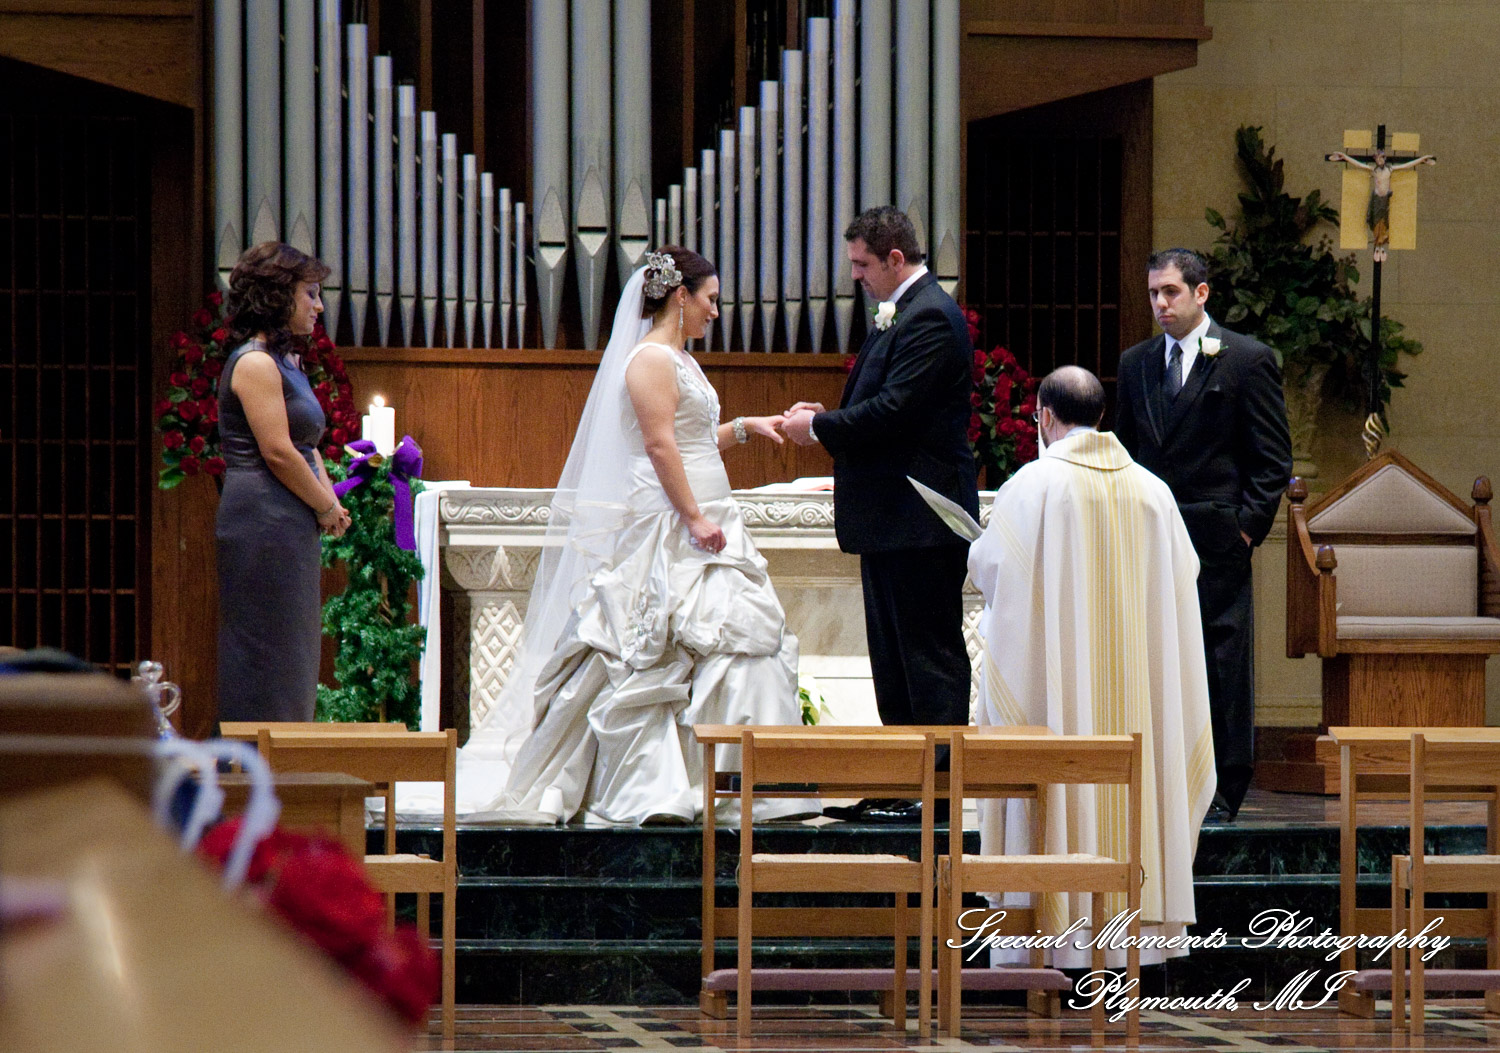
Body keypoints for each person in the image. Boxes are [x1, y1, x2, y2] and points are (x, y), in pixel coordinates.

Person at [469, 248, 810, 825]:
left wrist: (750, 427)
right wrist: (693, 519)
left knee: (740, 642)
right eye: (711, 300)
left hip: (708, 511)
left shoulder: (679, 359)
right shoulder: (649, 359)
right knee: (662, 651)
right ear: (682, 296)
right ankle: (672, 787)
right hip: (674, 522)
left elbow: (694, 438)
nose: (716, 313)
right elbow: (659, 447)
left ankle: (751, 786)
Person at [969, 366, 1214, 966]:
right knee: (1137, 779)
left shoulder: (1033, 485)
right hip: (1136, 716)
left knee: (1048, 773)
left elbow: (994, 571)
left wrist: (976, 548)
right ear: (1100, 416)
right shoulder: (1153, 491)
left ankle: (1050, 950)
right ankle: (1128, 952)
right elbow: (1187, 584)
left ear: (1045, 417)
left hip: (1056, 703)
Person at [782, 207, 978, 823]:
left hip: (921, 517)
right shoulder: (905, 312)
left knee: (927, 658)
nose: (857, 277)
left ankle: (935, 793)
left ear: (897, 259)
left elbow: (896, 411)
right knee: (894, 659)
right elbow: (882, 400)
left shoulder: (931, 318)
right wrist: (832, 415)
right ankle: (903, 783)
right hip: (894, 518)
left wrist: (817, 428)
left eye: (863, 265)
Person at [1114, 249, 1292, 822]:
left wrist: (1245, 532)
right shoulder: (1137, 363)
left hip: (1216, 540)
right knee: (1152, 660)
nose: (1161, 304)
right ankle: (1158, 778)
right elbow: (1125, 449)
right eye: (1153, 294)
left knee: (1220, 662)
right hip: (1150, 538)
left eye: (1170, 292)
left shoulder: (1246, 359)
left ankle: (1222, 786)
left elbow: (1271, 462)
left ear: (1201, 293)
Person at [216, 242, 349, 726]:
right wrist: (324, 507)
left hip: (288, 517)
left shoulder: (287, 362)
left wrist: (331, 500)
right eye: (310, 294)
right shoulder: (254, 363)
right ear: (276, 297)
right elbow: (277, 451)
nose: (318, 305)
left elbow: (306, 443)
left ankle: (286, 771)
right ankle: (249, 773)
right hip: (262, 519)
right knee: (263, 651)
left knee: (293, 648)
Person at [1325, 149, 1436, 261]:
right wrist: (1344, 157)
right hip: (1376, 200)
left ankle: (1381, 246)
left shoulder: (1390, 169)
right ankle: (1378, 246)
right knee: (1375, 222)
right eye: (1377, 159)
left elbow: (1406, 165)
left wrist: (1421, 159)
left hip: (1384, 200)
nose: (1379, 160)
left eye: (1381, 158)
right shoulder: (1374, 170)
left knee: (1383, 222)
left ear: (1384, 159)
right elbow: (1358, 164)